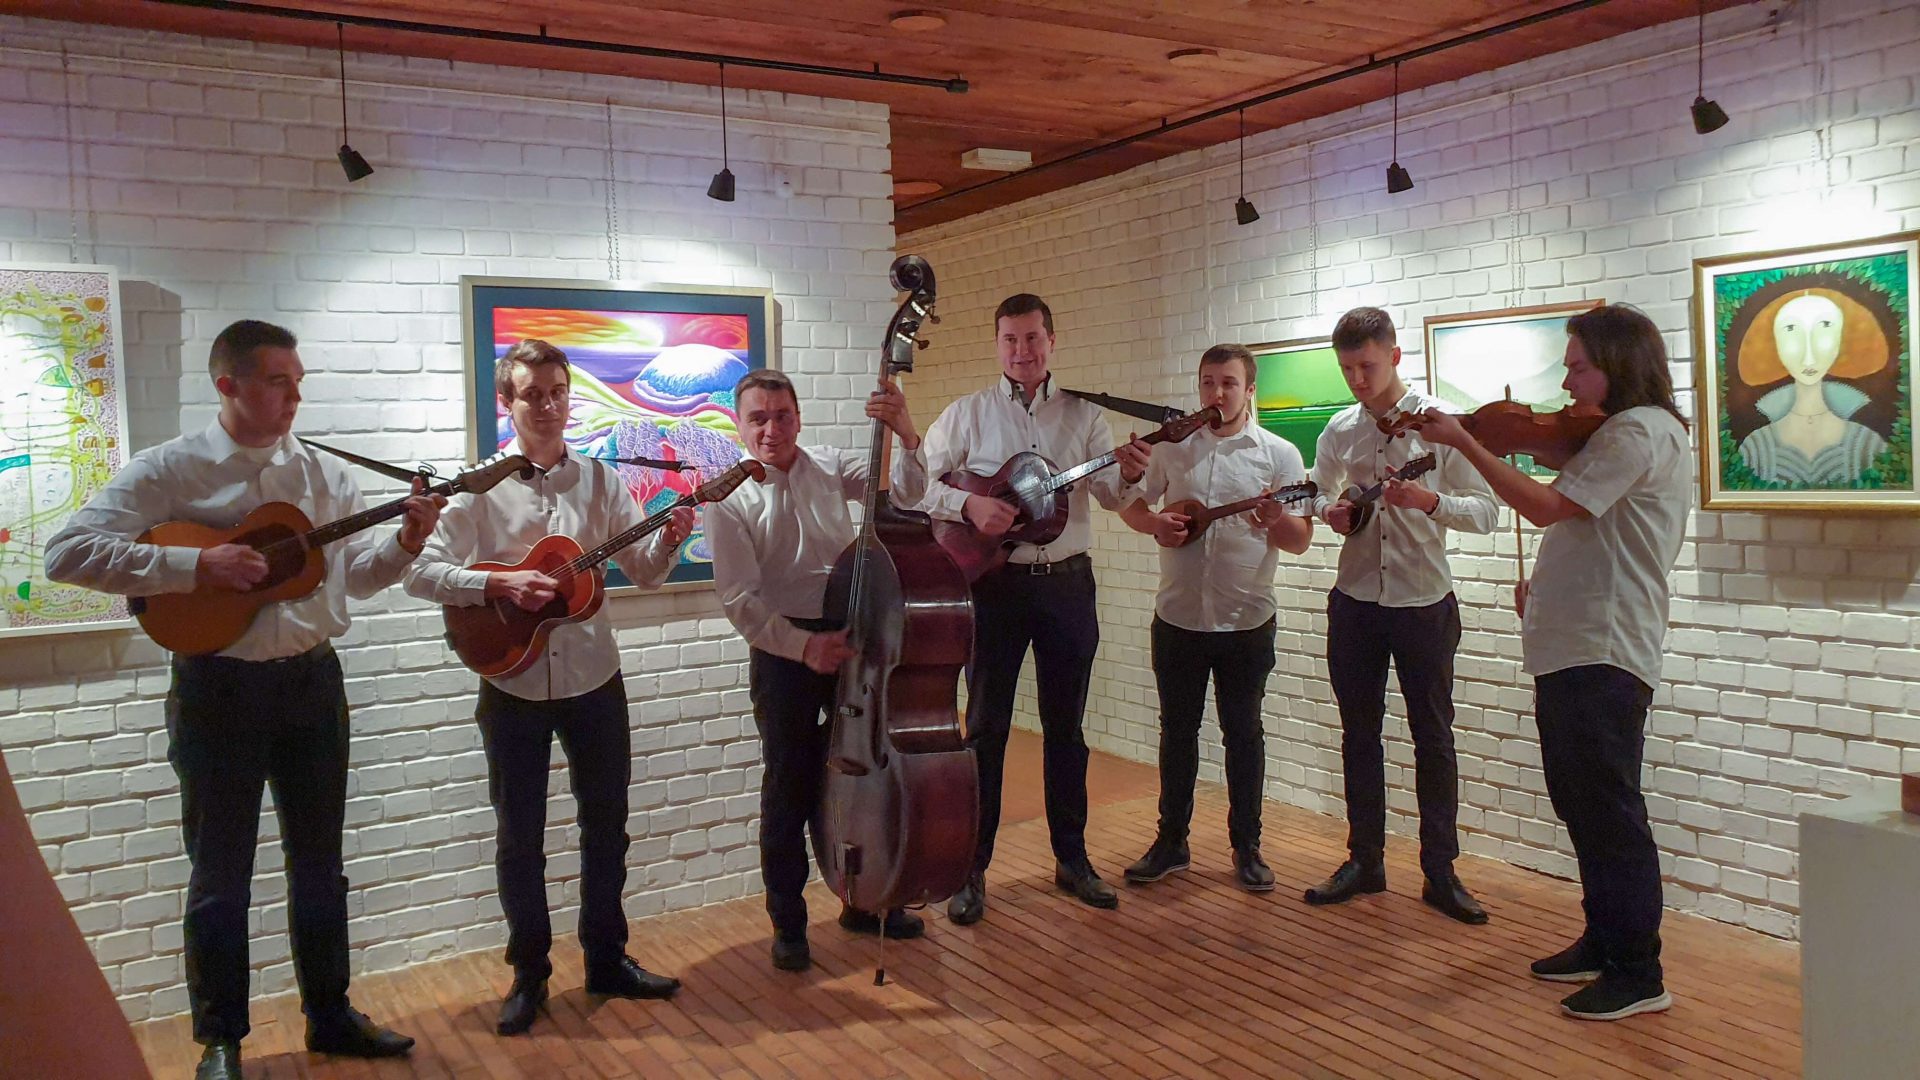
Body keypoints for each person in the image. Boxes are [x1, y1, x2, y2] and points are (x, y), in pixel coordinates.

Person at [44, 320, 442, 1080]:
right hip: (217, 691)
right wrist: (196, 566)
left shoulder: (326, 475)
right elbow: (66, 552)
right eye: (277, 381)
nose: (294, 397)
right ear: (227, 385)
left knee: (319, 863)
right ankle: (220, 1041)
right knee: (220, 873)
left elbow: (356, 578)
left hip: (312, 683)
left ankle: (330, 1014)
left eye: (298, 382)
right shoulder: (172, 470)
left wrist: (407, 543)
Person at [403, 339, 693, 1036]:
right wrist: (497, 583)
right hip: (513, 680)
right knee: (519, 837)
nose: (549, 405)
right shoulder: (475, 489)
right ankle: (529, 975)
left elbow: (644, 571)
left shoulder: (600, 481)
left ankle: (607, 959)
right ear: (507, 402)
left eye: (559, 392)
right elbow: (419, 571)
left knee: (607, 827)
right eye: (533, 394)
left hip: (595, 676)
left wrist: (670, 538)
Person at [1415, 303, 1691, 1022]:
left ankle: (1639, 970)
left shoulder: (1638, 431)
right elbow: (1588, 516)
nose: (1567, 383)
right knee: (1583, 806)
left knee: (1610, 812)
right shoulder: (1623, 432)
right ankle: (1605, 940)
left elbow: (1544, 508)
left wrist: (1466, 442)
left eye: (1578, 367)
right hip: (1578, 640)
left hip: (1605, 646)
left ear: (1618, 364)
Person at [914, 293, 1151, 924]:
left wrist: (1132, 473)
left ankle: (1072, 860)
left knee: (1066, 728)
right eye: (1010, 339)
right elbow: (917, 486)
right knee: (985, 727)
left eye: (1033, 338)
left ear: (1052, 340)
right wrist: (969, 505)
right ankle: (970, 869)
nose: (1022, 351)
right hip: (994, 587)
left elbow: (1112, 493)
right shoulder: (966, 414)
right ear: (997, 344)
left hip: (1068, 585)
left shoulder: (1084, 414)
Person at [707, 368, 927, 971]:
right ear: (739, 425)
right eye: (758, 418)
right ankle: (789, 924)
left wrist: (905, 431)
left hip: (851, 634)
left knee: (863, 777)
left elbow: (907, 495)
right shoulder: (727, 498)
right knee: (790, 787)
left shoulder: (829, 464)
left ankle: (867, 897)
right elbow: (740, 601)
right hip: (784, 653)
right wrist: (805, 649)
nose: (771, 429)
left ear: (798, 419)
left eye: (782, 416)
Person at [1303, 306, 1498, 924]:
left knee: (1433, 738)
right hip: (1355, 601)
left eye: (1366, 366)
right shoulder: (1340, 429)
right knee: (1358, 734)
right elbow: (1317, 491)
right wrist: (1330, 511)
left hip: (1424, 603)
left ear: (1394, 356)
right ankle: (1365, 861)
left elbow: (1487, 511)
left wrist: (1430, 501)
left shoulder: (1440, 424)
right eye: (1346, 369)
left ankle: (1440, 871)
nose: (1357, 380)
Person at [1115, 344, 1312, 892]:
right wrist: (1154, 524)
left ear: (1249, 390)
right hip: (1177, 617)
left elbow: (1299, 539)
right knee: (1176, 733)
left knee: (1243, 735)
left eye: (1228, 383)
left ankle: (1247, 848)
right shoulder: (1173, 449)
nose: (1216, 393)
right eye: (1207, 382)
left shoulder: (1279, 455)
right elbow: (1130, 504)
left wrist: (1274, 519)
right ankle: (1171, 842)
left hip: (1246, 621)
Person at [1735, 289, 1887, 484]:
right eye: (1790, 328)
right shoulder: (1755, 448)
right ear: (1774, 342)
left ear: (1841, 337)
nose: (1809, 357)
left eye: (1825, 325)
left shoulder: (1868, 445)